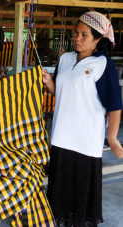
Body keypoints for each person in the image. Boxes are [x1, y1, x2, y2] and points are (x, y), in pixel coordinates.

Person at [42, 11, 123, 226]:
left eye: (84, 35)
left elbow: (115, 105)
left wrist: (112, 138)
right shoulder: (66, 58)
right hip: (61, 137)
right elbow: (60, 91)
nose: (77, 38)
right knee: (60, 194)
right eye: (76, 33)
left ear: (98, 39)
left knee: (80, 199)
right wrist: (49, 82)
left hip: (86, 141)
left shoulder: (103, 65)